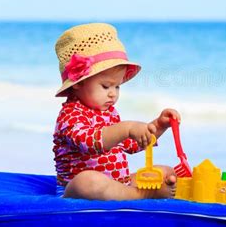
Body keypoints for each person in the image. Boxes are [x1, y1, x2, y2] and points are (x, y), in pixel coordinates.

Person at [52, 23, 180, 200]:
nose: (113, 93)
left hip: (118, 184)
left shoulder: (109, 112)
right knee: (88, 182)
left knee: (165, 171)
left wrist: (158, 125)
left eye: (117, 86)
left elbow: (132, 144)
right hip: (77, 189)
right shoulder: (70, 115)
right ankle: (142, 195)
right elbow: (90, 142)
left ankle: (135, 193)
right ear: (79, 83)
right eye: (106, 86)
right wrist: (127, 127)